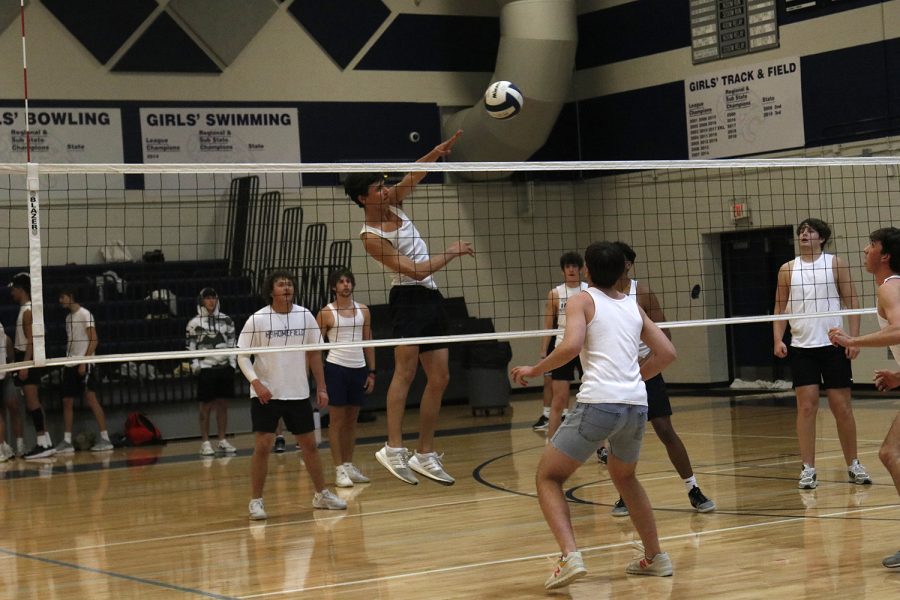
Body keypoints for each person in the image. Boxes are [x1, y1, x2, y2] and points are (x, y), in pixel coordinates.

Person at [511, 242, 677, 589]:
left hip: (599, 403)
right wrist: (634, 379)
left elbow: (570, 346)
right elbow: (667, 352)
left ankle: (570, 556)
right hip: (635, 405)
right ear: (622, 272)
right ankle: (655, 557)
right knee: (626, 478)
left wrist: (536, 368)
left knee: (548, 477)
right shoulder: (632, 305)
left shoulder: (581, 300)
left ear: (586, 270)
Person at [346, 129, 474, 486]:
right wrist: (451, 251)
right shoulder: (371, 237)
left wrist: (437, 150)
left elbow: (414, 174)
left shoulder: (394, 202)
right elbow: (415, 270)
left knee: (441, 377)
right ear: (362, 198)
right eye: (376, 189)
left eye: (384, 185)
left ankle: (425, 452)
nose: (384, 190)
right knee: (405, 373)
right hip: (407, 298)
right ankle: (393, 447)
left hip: (431, 298)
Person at [605, 242, 714, 516]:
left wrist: (648, 362)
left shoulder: (641, 292)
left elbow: (665, 336)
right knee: (621, 437)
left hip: (646, 373)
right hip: (616, 376)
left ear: (627, 264)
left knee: (665, 430)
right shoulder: (598, 295)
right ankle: (624, 495)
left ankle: (693, 489)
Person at [237, 270, 346, 519]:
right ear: (271, 291)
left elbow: (314, 353)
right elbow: (242, 356)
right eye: (280, 284)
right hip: (267, 392)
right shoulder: (258, 319)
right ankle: (256, 501)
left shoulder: (305, 315)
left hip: (297, 392)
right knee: (263, 445)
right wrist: (256, 383)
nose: (286, 288)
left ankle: (321, 494)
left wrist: (321, 386)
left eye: (289, 284)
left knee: (309, 445)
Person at [773, 218, 871, 489]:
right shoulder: (787, 269)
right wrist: (777, 339)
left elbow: (852, 301)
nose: (804, 234)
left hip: (834, 346)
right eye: (801, 231)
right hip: (802, 347)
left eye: (810, 230)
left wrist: (853, 338)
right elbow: (779, 308)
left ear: (822, 238)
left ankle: (853, 464)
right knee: (806, 407)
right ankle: (808, 468)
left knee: (842, 407)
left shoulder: (835, 263)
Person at [827, 226, 900, 569]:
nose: (864, 249)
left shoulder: (891, 289)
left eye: (871, 245)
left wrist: (852, 342)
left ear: (884, 255)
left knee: (890, 453)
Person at [316, 269, 375, 488]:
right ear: (334, 287)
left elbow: (368, 341)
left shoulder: (364, 311)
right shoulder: (326, 312)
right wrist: (320, 380)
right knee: (337, 422)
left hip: (358, 369)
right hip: (336, 369)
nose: (345, 285)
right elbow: (314, 347)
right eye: (341, 282)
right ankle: (339, 469)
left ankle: (349, 464)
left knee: (352, 421)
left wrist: (372, 372)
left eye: (348, 281)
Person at [54, 289, 113, 454]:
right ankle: (67, 441)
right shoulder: (68, 318)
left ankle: (105, 438)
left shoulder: (85, 314)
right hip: (70, 363)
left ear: (71, 296)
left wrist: (84, 362)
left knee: (91, 398)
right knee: (66, 401)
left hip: (84, 363)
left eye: (62, 296)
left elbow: (94, 340)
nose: (60, 300)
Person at [186, 287, 237, 457]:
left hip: (224, 368)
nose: (210, 301)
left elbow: (232, 342)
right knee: (205, 406)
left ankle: (222, 440)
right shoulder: (194, 323)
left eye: (213, 298)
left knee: (223, 405)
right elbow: (190, 347)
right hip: (206, 369)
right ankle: (205, 442)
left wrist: (233, 364)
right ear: (201, 301)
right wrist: (195, 365)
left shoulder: (227, 320)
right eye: (207, 298)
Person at [541, 252, 587, 438]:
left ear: (581, 269)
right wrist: (544, 351)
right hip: (562, 347)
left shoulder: (588, 290)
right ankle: (552, 443)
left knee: (594, 399)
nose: (571, 269)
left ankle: (602, 449)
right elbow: (548, 324)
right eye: (568, 266)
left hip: (586, 348)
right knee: (559, 400)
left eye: (575, 266)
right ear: (563, 271)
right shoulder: (555, 293)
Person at [9, 274, 55, 459]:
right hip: (27, 357)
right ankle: (47, 441)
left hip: (29, 358)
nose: (11, 293)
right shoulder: (26, 310)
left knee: (32, 401)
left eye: (13, 289)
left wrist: (26, 364)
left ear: (21, 290)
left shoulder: (28, 311)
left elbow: (32, 341)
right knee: (33, 400)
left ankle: (42, 443)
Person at [0, 332, 24, 461]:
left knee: (13, 407)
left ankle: (20, 446)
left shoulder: (5, 338)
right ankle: (2, 446)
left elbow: (11, 357)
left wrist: (9, 370)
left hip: (6, 376)